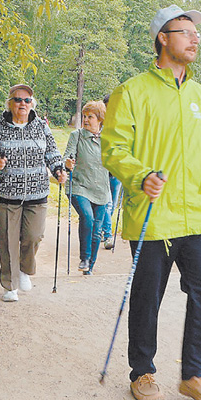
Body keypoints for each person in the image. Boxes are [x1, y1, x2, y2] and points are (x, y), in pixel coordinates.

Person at [101, 4, 201, 400]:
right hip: (153, 216)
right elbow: (113, 149)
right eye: (185, 31)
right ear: (162, 37)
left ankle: (194, 375)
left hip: (199, 216)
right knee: (148, 297)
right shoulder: (133, 91)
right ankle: (142, 371)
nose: (195, 37)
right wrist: (139, 174)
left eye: (197, 32)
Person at [0, 84, 66, 303]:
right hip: (6, 194)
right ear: (10, 103)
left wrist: (58, 169)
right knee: (7, 241)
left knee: (34, 236)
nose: (22, 104)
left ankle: (25, 269)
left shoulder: (41, 127)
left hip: (37, 193)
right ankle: (10, 284)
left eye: (26, 100)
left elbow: (52, 152)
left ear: (31, 104)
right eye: (17, 100)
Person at [63, 100, 110, 275]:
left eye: (90, 117)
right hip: (79, 186)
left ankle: (90, 264)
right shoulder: (77, 136)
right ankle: (84, 258)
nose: (86, 120)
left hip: (101, 189)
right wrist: (67, 163)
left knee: (97, 230)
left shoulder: (108, 139)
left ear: (100, 120)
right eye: (84, 116)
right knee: (88, 218)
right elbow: (66, 157)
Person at [99, 94, 121, 250]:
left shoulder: (122, 124)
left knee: (112, 205)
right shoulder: (100, 125)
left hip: (117, 172)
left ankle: (100, 229)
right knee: (107, 204)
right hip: (103, 171)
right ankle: (107, 235)